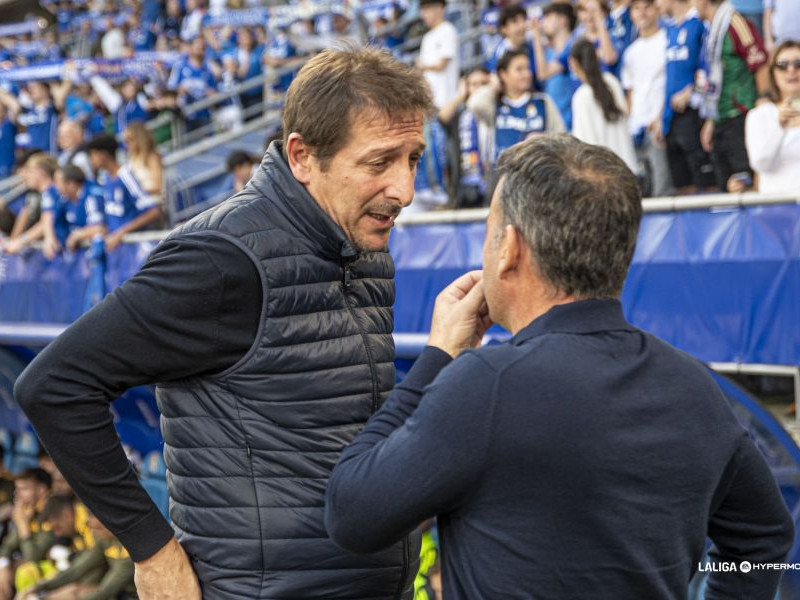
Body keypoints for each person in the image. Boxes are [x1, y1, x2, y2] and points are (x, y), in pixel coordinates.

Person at [15, 47, 434, 600]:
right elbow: (53, 385)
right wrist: (153, 552)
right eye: (380, 162)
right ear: (303, 157)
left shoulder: (363, 243)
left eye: (414, 159)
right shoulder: (221, 258)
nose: (404, 189)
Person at [324, 133, 795, 598]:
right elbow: (765, 535)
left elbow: (352, 513)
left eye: (489, 233)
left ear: (510, 248)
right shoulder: (693, 385)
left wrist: (438, 356)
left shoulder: (487, 385)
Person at [696, 0, 770, 192]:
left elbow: (759, 62)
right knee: (726, 187)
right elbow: (717, 78)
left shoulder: (736, 22)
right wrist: (711, 120)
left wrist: (763, 104)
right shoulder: (713, 30)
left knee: (743, 184)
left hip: (740, 115)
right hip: (722, 117)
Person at [656, 0, 717, 194]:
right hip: (671, 117)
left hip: (693, 113)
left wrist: (692, 91)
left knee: (706, 182)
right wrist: (661, 116)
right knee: (681, 183)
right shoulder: (669, 29)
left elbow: (710, 66)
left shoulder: (699, 25)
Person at [467, 50, 565, 169]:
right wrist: (494, 85)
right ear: (504, 74)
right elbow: (474, 104)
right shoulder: (495, 104)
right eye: (519, 69)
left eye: (528, 68)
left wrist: (543, 140)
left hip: (537, 176)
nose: (526, 74)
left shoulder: (542, 101)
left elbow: (561, 138)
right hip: (502, 175)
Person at [622, 0, 675, 196]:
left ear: (656, 9)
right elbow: (631, 93)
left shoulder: (668, 40)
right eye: (636, 8)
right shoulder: (630, 52)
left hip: (659, 127)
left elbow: (671, 82)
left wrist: (661, 116)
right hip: (636, 130)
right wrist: (629, 124)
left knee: (663, 189)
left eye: (647, 7)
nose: (642, 13)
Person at [570, 39, 638, 173]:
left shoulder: (582, 96)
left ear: (573, 64)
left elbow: (584, 143)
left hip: (604, 176)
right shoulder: (612, 82)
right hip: (628, 167)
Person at [85, 134, 162, 251]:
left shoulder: (125, 175)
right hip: (119, 254)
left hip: (137, 250)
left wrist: (120, 234)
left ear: (103, 155)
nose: (91, 160)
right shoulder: (104, 179)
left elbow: (152, 212)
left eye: (93, 155)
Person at [745, 40, 800, 193]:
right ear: (773, 72)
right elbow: (760, 163)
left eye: (798, 64)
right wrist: (779, 127)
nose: (791, 70)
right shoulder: (759, 115)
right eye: (782, 65)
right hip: (775, 208)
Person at [0, 468, 53, 600]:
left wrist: (23, 525)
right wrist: (4, 566)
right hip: (32, 567)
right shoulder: (28, 509)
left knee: (24, 570)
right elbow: (8, 546)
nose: (17, 494)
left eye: (24, 489)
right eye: (17, 489)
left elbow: (33, 557)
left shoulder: (52, 512)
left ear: (41, 490)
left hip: (54, 570)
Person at [531, 2, 580, 130]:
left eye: (548, 17)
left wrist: (536, 35)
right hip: (557, 122)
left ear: (563, 20)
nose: (543, 23)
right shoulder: (548, 52)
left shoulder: (574, 45)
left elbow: (543, 73)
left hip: (575, 120)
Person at [49, 165, 106, 253]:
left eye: (57, 182)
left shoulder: (92, 195)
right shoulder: (64, 201)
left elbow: (100, 228)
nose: (55, 186)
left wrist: (77, 235)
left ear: (71, 184)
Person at [416, 0, 459, 108]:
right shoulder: (427, 37)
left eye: (427, 9)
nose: (423, 15)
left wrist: (423, 66)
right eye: (423, 10)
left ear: (439, 8)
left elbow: (442, 64)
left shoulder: (448, 30)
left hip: (446, 101)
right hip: (430, 99)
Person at [487, 5, 539, 88]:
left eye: (523, 20)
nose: (522, 26)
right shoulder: (500, 53)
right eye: (515, 22)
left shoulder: (531, 47)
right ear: (503, 29)